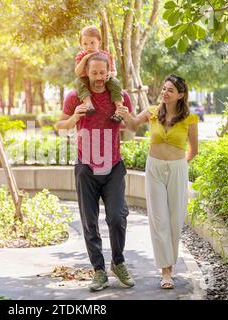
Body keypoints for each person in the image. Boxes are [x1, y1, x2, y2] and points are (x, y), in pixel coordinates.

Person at [56, 53, 135, 292]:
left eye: (103, 72)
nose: (99, 78)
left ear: (109, 71)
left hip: (113, 166)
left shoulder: (120, 96)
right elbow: (60, 126)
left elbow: (131, 127)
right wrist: (74, 117)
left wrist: (126, 117)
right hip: (86, 167)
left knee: (117, 217)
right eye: (94, 73)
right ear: (86, 73)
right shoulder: (74, 96)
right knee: (89, 222)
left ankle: (118, 263)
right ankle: (99, 270)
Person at [114, 74, 199, 289]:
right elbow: (132, 126)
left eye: (170, 90)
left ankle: (170, 263)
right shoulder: (151, 112)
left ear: (180, 95)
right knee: (158, 219)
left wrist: (179, 165)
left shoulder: (190, 118)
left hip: (178, 168)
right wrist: (125, 114)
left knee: (175, 219)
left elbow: (194, 150)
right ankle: (166, 272)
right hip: (155, 169)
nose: (165, 92)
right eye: (164, 89)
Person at [74, 25, 124, 122]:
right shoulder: (81, 55)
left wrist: (110, 74)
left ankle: (119, 108)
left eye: (92, 43)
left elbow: (114, 71)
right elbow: (77, 72)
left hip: (103, 79)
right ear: (81, 44)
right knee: (78, 81)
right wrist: (85, 58)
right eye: (85, 44)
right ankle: (88, 104)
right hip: (86, 79)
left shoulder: (105, 55)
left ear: (99, 42)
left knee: (115, 82)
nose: (88, 47)